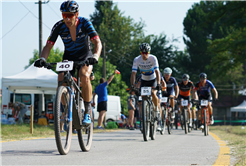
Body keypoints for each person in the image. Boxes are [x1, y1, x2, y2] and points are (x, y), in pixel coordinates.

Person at [34, 0, 102, 127]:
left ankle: (87, 111)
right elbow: (48, 46)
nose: (67, 19)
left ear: (77, 14)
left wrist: (95, 56)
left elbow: (97, 42)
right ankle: (66, 109)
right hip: (69, 57)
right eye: (64, 15)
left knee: (84, 75)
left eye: (70, 15)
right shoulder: (59, 26)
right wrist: (42, 59)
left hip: (85, 56)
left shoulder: (85, 23)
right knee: (61, 79)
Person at [130, 43, 162, 122]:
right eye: (142, 53)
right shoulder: (137, 59)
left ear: (149, 52)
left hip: (153, 79)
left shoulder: (153, 58)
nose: (144, 55)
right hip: (144, 80)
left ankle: (155, 108)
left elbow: (157, 72)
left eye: (146, 53)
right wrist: (132, 85)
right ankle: (145, 113)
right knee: (142, 96)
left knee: (153, 93)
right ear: (140, 52)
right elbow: (133, 73)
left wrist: (158, 83)